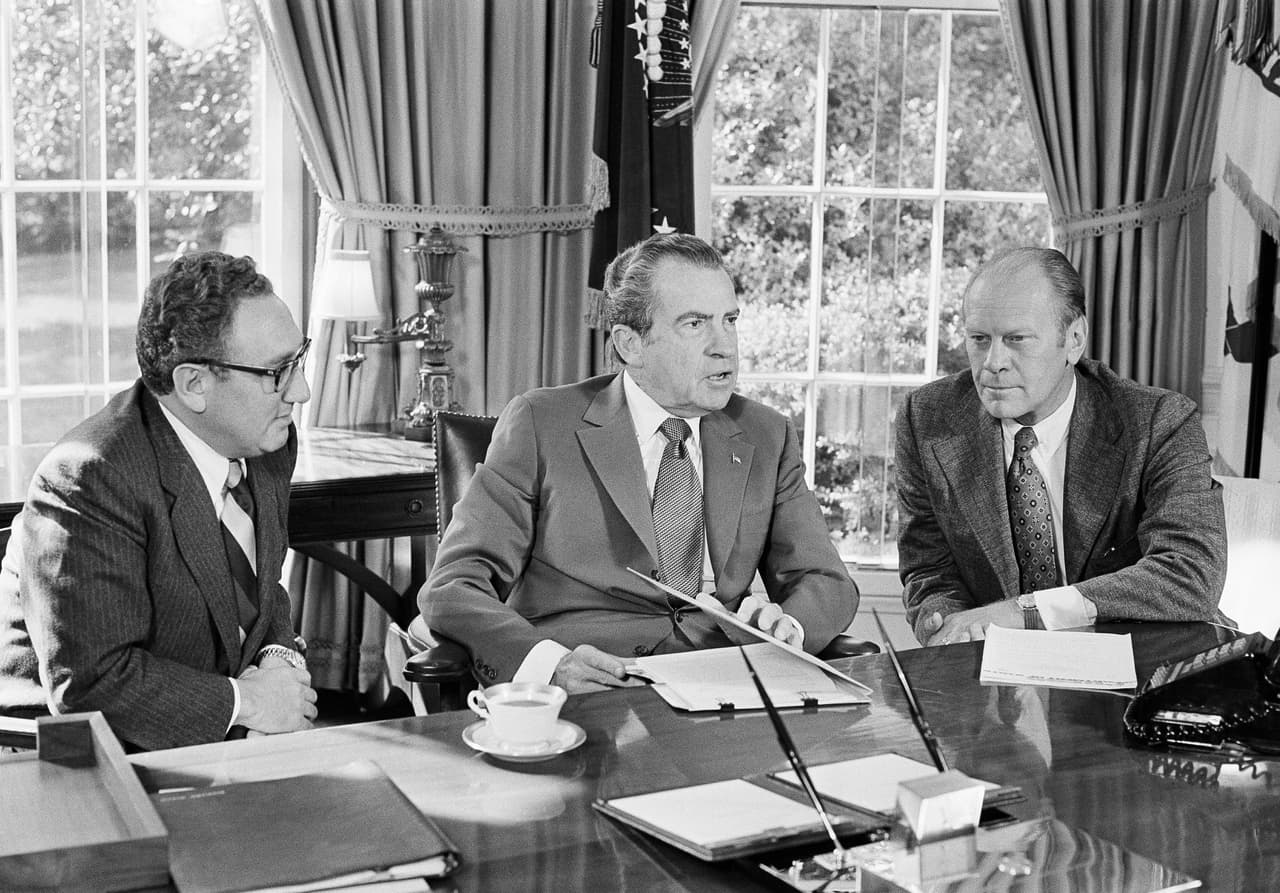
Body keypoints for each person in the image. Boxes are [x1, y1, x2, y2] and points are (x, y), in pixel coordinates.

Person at [422, 233, 858, 693]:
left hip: (723, 687)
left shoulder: (766, 434)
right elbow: (454, 585)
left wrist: (788, 627)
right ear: (630, 344)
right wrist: (549, 665)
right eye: (695, 324)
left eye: (729, 320)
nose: (724, 346)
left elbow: (825, 579)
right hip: (588, 688)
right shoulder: (541, 423)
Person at [0, 251, 317, 750]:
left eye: (298, 360)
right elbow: (90, 685)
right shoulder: (90, 478)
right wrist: (250, 703)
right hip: (79, 762)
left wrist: (280, 659)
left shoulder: (266, 442)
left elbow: (261, 587)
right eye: (277, 371)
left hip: (224, 738)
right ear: (194, 384)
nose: (301, 390)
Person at [895, 247, 1227, 646]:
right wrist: (949, 624)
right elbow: (929, 569)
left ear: (1073, 340)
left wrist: (1027, 612)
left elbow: (1190, 573)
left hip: (1142, 663)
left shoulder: (1159, 421)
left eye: (1017, 339)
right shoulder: (926, 418)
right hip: (999, 670)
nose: (993, 362)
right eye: (980, 339)